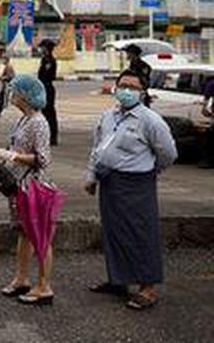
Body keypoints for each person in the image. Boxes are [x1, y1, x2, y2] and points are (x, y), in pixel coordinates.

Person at [84, 70, 177, 311]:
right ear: (115, 88)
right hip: (109, 181)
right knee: (114, 232)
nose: (126, 90)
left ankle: (148, 288)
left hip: (137, 184)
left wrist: (151, 170)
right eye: (122, 85)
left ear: (142, 92)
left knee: (140, 233)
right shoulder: (108, 116)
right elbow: (98, 148)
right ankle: (118, 280)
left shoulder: (150, 120)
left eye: (132, 87)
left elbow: (168, 153)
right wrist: (91, 176)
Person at [0, 74, 55, 305]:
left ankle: (44, 286)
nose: (12, 93)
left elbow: (43, 159)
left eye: (16, 90)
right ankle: (21, 278)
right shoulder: (24, 120)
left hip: (34, 186)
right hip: (19, 185)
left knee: (40, 236)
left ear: (25, 96)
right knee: (24, 234)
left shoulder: (39, 122)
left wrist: (15, 156)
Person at [37, 40, 59, 146]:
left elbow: (47, 75)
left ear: (47, 49)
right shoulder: (44, 60)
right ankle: (47, 136)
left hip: (47, 88)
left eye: (43, 48)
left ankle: (52, 137)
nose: (41, 50)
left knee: (49, 113)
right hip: (43, 87)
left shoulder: (50, 61)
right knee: (45, 113)